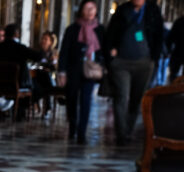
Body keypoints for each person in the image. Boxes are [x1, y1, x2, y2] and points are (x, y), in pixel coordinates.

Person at [104, 0, 164, 145]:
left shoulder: (152, 11)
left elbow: (159, 34)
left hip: (144, 62)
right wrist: (110, 55)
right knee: (121, 96)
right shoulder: (123, 10)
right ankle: (121, 135)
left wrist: (153, 58)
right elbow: (111, 32)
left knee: (137, 99)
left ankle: (128, 130)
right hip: (121, 62)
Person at [58, 0, 105, 144]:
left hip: (90, 69)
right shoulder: (72, 29)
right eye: (87, 8)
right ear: (81, 11)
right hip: (73, 69)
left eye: (92, 8)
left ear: (96, 11)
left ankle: (82, 131)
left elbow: (104, 49)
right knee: (71, 98)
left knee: (86, 100)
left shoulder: (100, 29)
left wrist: (103, 64)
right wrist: (62, 71)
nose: (90, 11)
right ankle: (73, 125)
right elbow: (64, 51)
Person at [167, 15, 184, 81]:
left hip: (177, 54)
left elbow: (170, 38)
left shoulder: (179, 21)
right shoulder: (179, 21)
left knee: (173, 76)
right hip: (177, 54)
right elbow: (171, 38)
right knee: (174, 75)